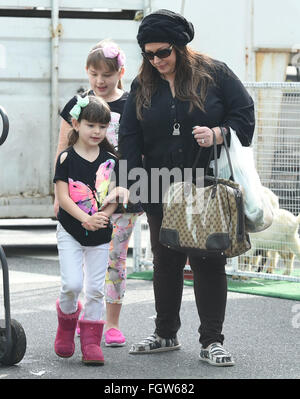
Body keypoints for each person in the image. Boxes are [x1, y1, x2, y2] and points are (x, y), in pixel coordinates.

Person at [118, 9, 255, 366]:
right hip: (158, 184)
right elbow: (130, 137)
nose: (156, 60)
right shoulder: (142, 83)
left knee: (207, 259)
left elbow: (244, 114)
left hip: (203, 184)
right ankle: (165, 332)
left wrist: (218, 133)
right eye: (148, 54)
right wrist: (130, 186)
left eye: (163, 52)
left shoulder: (214, 74)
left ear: (180, 46)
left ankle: (212, 341)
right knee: (166, 260)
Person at [54, 39, 141, 347]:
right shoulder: (77, 105)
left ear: (121, 72)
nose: (100, 81)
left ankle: (111, 323)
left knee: (115, 259)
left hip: (118, 198)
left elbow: (137, 152)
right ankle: (86, 316)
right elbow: (64, 147)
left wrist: (134, 191)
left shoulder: (132, 105)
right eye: (94, 74)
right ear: (87, 73)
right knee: (79, 262)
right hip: (79, 198)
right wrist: (57, 196)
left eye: (107, 74)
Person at [53, 95, 129, 365]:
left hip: (99, 233)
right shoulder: (66, 158)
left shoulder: (111, 161)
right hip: (71, 230)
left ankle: (90, 342)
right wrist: (85, 218)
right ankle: (66, 324)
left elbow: (113, 199)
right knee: (72, 284)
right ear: (76, 124)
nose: (97, 131)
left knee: (96, 289)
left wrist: (102, 216)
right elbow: (62, 198)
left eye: (102, 126)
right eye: (90, 125)